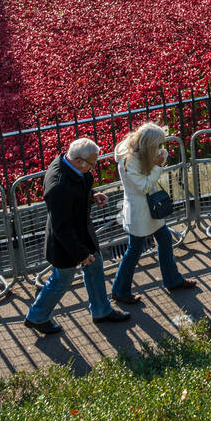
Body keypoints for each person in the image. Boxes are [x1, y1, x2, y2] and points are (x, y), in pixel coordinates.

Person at [24, 139, 129, 335]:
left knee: (95, 265)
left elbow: (75, 192)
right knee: (61, 280)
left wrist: (92, 195)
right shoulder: (59, 186)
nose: (94, 167)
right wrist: (81, 253)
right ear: (79, 161)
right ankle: (37, 316)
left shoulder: (68, 165)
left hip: (79, 233)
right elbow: (61, 228)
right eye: (92, 163)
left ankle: (101, 310)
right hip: (67, 242)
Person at [110, 123, 196, 303]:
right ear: (148, 145)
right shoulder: (128, 160)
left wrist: (156, 163)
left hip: (149, 209)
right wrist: (158, 166)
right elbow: (144, 186)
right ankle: (119, 289)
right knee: (134, 250)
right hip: (140, 212)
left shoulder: (138, 152)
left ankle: (172, 280)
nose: (160, 149)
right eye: (158, 145)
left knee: (164, 241)